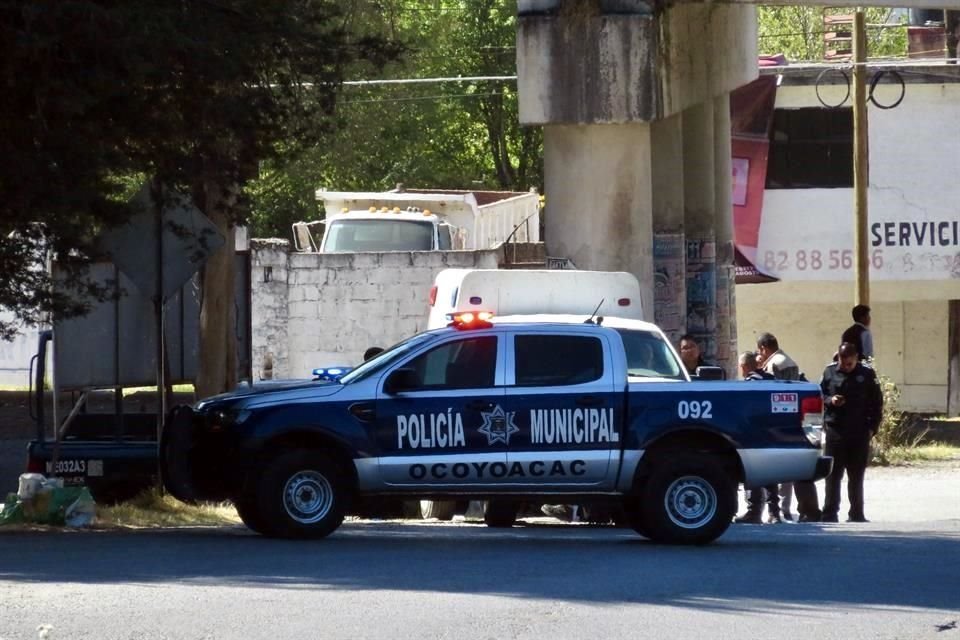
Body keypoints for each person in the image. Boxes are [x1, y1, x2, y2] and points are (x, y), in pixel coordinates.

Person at [820, 342, 884, 523]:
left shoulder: (867, 374)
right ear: (838, 357)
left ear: (856, 358)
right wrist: (831, 400)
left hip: (859, 431)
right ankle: (830, 513)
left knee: (856, 475)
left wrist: (873, 427)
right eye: (843, 362)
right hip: (836, 430)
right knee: (833, 475)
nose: (846, 366)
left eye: (850, 363)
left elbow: (876, 402)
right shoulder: (829, 372)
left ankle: (856, 513)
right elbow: (820, 396)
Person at [756, 333, 817, 521]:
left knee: (775, 466)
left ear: (763, 349)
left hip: (777, 419)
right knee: (787, 467)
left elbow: (771, 392)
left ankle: (780, 509)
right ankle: (785, 507)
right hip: (792, 418)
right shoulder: (788, 360)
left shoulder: (774, 364)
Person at [734, 352, 782, 524]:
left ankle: (754, 511)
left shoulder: (749, 383)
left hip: (754, 432)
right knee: (770, 472)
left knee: (753, 471)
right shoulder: (771, 379)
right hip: (771, 430)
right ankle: (774, 513)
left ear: (744, 367)